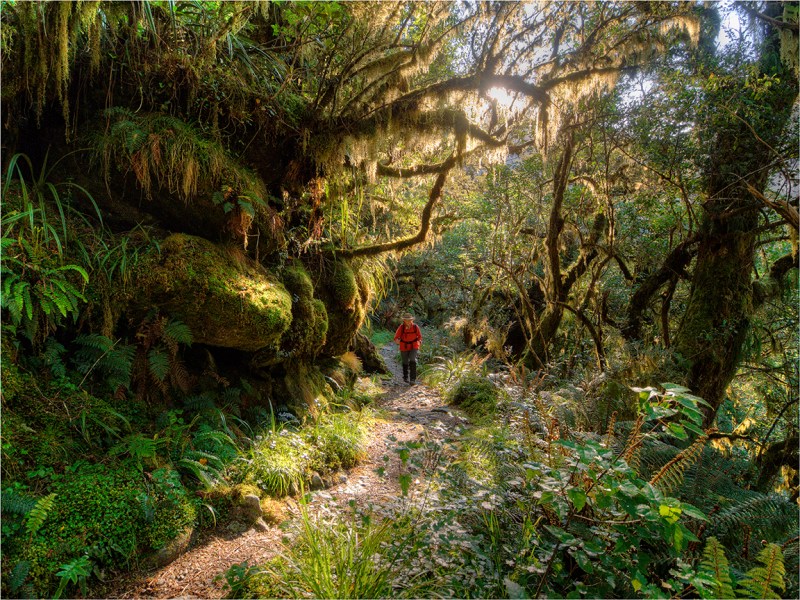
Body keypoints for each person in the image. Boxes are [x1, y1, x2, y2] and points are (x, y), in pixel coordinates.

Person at [394, 313, 422, 385]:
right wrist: (397, 340)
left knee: (412, 360)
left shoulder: (415, 327)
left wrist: (419, 341)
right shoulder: (401, 327)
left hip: (414, 346)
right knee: (405, 362)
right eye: (406, 320)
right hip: (404, 346)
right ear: (404, 320)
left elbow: (419, 337)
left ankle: (413, 379)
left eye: (409, 320)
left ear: (412, 320)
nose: (408, 321)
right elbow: (396, 337)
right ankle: (405, 377)